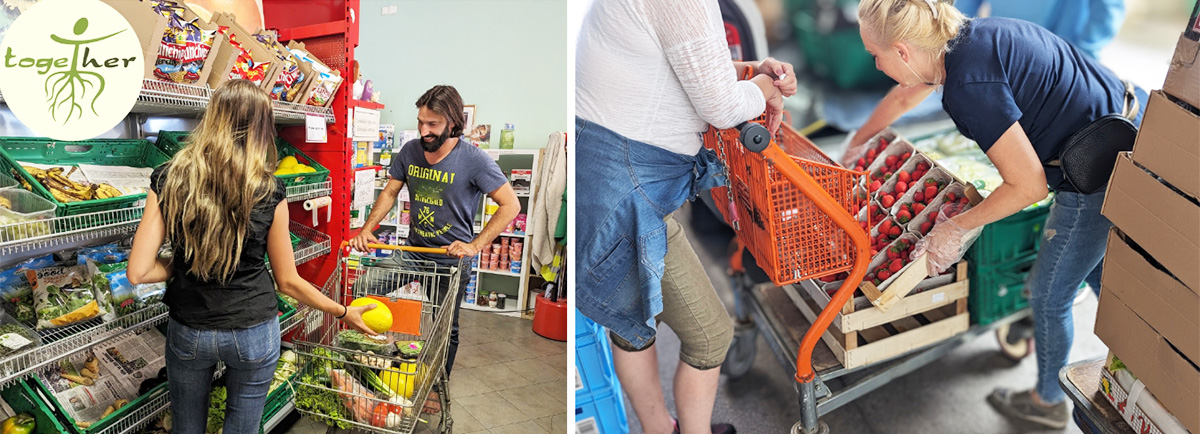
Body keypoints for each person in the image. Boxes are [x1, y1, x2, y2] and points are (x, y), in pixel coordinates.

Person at [843, 0, 1147, 429]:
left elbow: (1029, 186)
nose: (876, 65)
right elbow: (906, 93)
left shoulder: (968, 88)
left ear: (903, 51)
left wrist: (956, 227)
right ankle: (1142, 368)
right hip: (1126, 123)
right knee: (1099, 272)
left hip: (1101, 163)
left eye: (876, 55)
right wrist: (858, 142)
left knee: (1048, 294)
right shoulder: (963, 39)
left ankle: (1048, 403)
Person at [575, 0, 797, 432]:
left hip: (609, 181)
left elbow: (672, 65)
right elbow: (722, 107)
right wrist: (765, 89)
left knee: (633, 323)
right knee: (712, 336)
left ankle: (662, 430)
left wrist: (749, 70)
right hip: (628, 195)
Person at [127, 79, 377, 434]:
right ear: (262, 128)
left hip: (190, 328)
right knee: (243, 426)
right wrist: (342, 311)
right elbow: (288, 281)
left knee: (186, 426)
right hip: (253, 331)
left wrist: (180, 263)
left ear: (211, 118)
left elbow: (138, 272)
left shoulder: (169, 179)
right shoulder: (269, 189)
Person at [348, 85, 519, 413]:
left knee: (445, 328)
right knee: (364, 288)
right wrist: (366, 229)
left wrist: (475, 245)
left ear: (453, 123)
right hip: (412, 252)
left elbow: (510, 205)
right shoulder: (410, 151)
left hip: (449, 261)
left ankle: (437, 388)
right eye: (421, 122)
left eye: (433, 124)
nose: (424, 131)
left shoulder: (474, 160)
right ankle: (373, 362)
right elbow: (390, 193)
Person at [953, 0, 1126, 60]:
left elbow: (1108, 9)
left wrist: (1084, 54)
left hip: (1063, 59)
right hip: (999, 55)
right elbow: (962, 10)